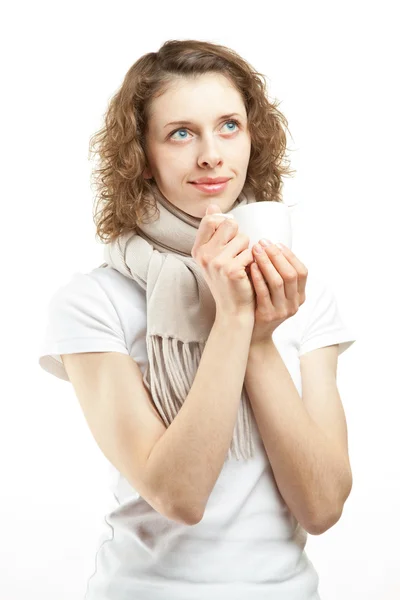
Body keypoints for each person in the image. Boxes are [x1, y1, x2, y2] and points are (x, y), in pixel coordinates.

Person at [38, 39, 356, 600]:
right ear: (143, 155)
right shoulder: (95, 301)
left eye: (229, 126)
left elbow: (323, 506)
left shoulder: (299, 291)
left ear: (253, 138)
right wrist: (233, 321)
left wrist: (259, 337)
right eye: (181, 133)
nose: (211, 154)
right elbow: (179, 496)